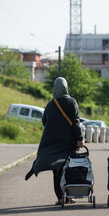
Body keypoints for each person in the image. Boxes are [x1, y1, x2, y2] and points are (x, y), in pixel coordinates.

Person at [25, 77, 84, 205]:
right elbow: (75, 122)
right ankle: (70, 195)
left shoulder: (51, 104)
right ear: (66, 87)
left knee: (56, 169)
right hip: (69, 142)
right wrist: (79, 138)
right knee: (69, 167)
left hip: (53, 142)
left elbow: (44, 121)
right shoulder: (72, 102)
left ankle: (60, 197)